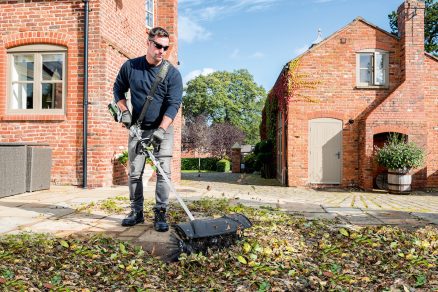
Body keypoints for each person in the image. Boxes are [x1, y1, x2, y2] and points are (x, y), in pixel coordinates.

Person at [113, 27, 183, 232]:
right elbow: (118, 89)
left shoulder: (172, 74)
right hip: (137, 128)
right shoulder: (131, 67)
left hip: (163, 128)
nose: (162, 51)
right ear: (149, 43)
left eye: (165, 47)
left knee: (164, 172)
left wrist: (161, 130)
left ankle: (160, 212)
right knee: (135, 172)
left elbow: (173, 104)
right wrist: (124, 110)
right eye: (158, 46)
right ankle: (136, 211)